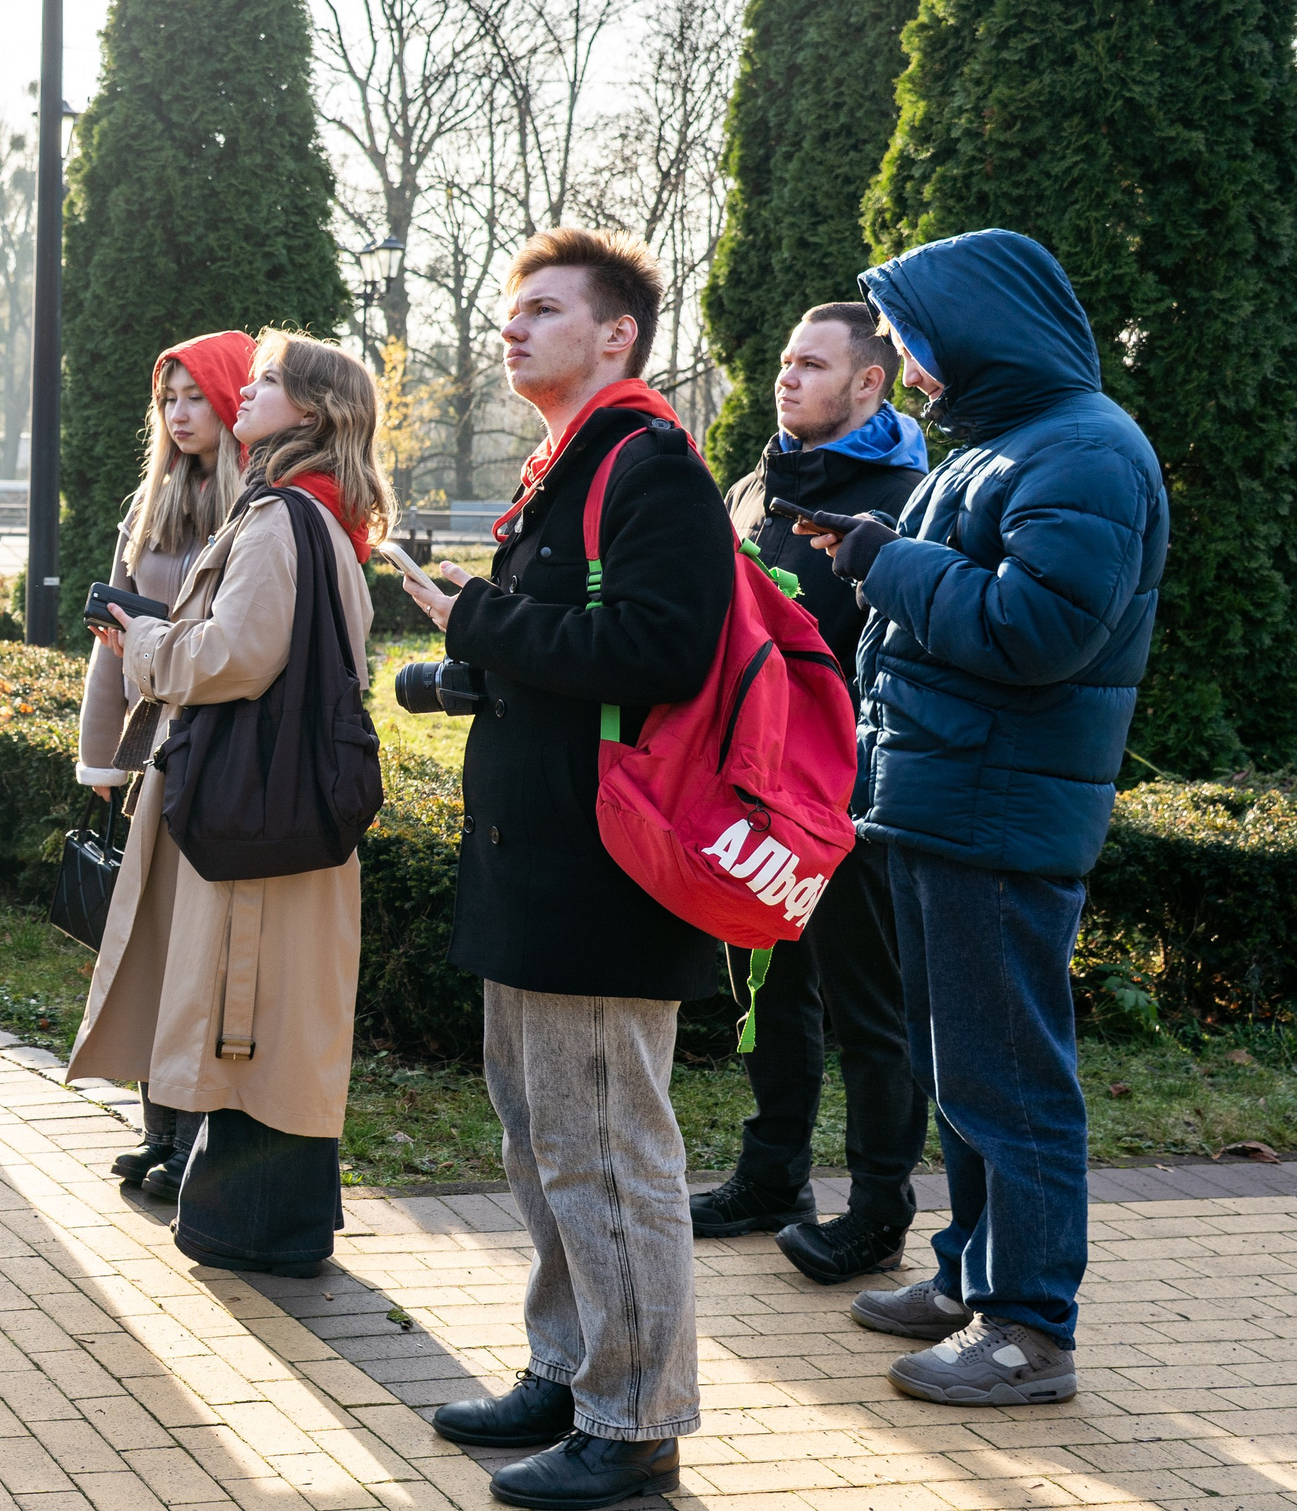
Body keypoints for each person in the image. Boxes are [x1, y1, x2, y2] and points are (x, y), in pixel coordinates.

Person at [403, 228, 732, 1509]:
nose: (513, 327)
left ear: (615, 334)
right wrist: (470, 661)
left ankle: (634, 1418)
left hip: (605, 876)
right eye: (512, 309)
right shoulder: (567, 468)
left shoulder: (649, 465)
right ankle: (568, 1367)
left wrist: (478, 617)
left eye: (543, 308)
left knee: (604, 1148)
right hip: (538, 865)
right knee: (544, 1141)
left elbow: (661, 648)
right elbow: (565, 653)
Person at [820, 229, 1166, 1408]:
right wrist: (875, 555)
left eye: (915, 344)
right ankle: (972, 1277)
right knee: (959, 1066)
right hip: (942, 803)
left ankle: (1027, 1326)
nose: (909, 370)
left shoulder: (1087, 452)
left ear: (977, 332)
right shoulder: (1005, 445)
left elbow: (1035, 630)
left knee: (1008, 1077)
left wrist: (885, 561)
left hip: (998, 813)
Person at [65, 332, 387, 1281]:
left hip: (251, 810)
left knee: (250, 1015)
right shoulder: (320, 514)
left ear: (313, 411)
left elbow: (236, 655)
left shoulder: (282, 515)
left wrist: (143, 644)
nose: (245, 391)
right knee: (277, 1019)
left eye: (269, 381)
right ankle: (264, 1215)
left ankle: (252, 1226)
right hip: (284, 799)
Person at [697, 302, 931, 1281]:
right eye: (785, 360)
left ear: (870, 382)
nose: (786, 377)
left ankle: (878, 1210)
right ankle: (771, 1178)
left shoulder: (909, 496)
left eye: (812, 365)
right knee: (768, 988)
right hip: (753, 791)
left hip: (849, 796)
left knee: (870, 1007)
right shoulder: (753, 487)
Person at [73, 330, 255, 1203]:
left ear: (232, 402)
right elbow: (110, 645)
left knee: (199, 957)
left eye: (196, 398)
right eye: (168, 401)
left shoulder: (257, 511)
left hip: (216, 748)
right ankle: (158, 1131)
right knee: (149, 945)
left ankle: (194, 1140)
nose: (180, 416)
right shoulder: (150, 504)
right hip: (151, 748)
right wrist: (100, 755)